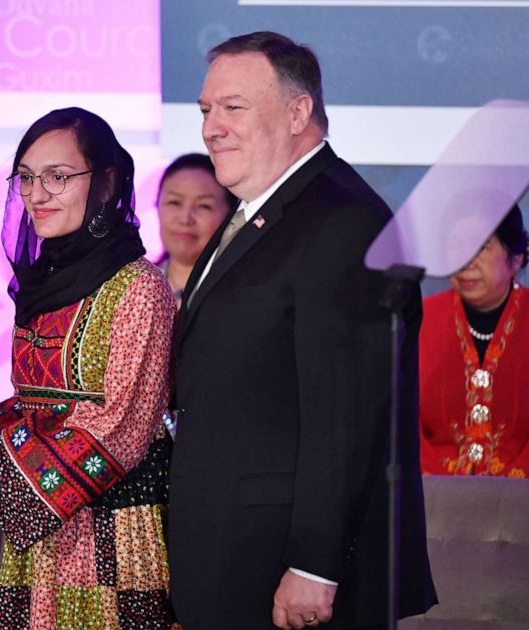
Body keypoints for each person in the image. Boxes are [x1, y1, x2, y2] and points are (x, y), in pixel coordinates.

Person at [170, 31, 437, 629]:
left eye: (233, 108)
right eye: (207, 110)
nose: (212, 127)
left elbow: (346, 411)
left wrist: (316, 566)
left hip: (289, 576)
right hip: (234, 557)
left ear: (298, 113)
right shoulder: (259, 210)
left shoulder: (344, 220)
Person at [0, 107, 178, 628]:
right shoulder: (44, 286)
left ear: (107, 182)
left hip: (113, 536)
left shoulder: (140, 287)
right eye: (26, 177)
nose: (37, 194)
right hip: (40, 537)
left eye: (58, 177)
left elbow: (119, 429)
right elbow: (40, 410)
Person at [420, 205, 529, 476]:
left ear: (516, 258)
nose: (465, 261)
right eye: (454, 246)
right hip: (434, 503)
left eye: (480, 247)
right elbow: (397, 421)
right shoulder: (419, 320)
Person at [154, 153, 236, 305]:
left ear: (230, 216)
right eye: (175, 202)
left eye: (204, 206)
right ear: (157, 206)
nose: (186, 219)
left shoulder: (241, 292)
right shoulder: (134, 287)